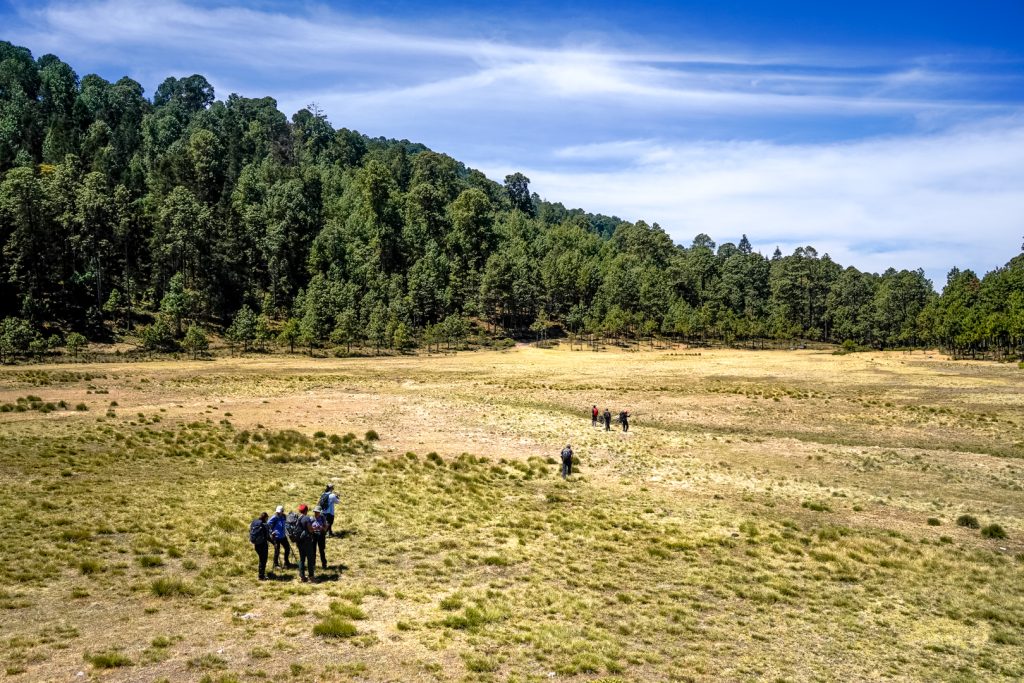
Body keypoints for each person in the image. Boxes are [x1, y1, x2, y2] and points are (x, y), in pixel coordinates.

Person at [295, 503, 317, 583]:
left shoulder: (298, 518)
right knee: (310, 559)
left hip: (299, 541)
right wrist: (314, 529)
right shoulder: (306, 518)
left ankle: (302, 576)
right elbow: (310, 529)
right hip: (307, 541)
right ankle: (311, 577)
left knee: (302, 559)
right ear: (306, 510)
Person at [248, 511, 270, 581]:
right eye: (267, 518)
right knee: (263, 560)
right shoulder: (265, 525)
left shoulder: (254, 522)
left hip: (256, 544)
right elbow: (267, 536)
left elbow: (250, 531)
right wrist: (274, 543)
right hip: (263, 545)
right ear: (265, 518)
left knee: (261, 559)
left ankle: (261, 575)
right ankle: (261, 576)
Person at [311, 505, 328, 571]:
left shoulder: (323, 518)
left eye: (317, 512)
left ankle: (324, 564)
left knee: (321, 550)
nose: (316, 513)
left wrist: (322, 528)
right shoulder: (311, 518)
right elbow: (309, 528)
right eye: (315, 512)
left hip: (321, 535)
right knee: (313, 551)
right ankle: (313, 565)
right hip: (313, 535)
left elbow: (325, 528)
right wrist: (313, 528)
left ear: (320, 512)